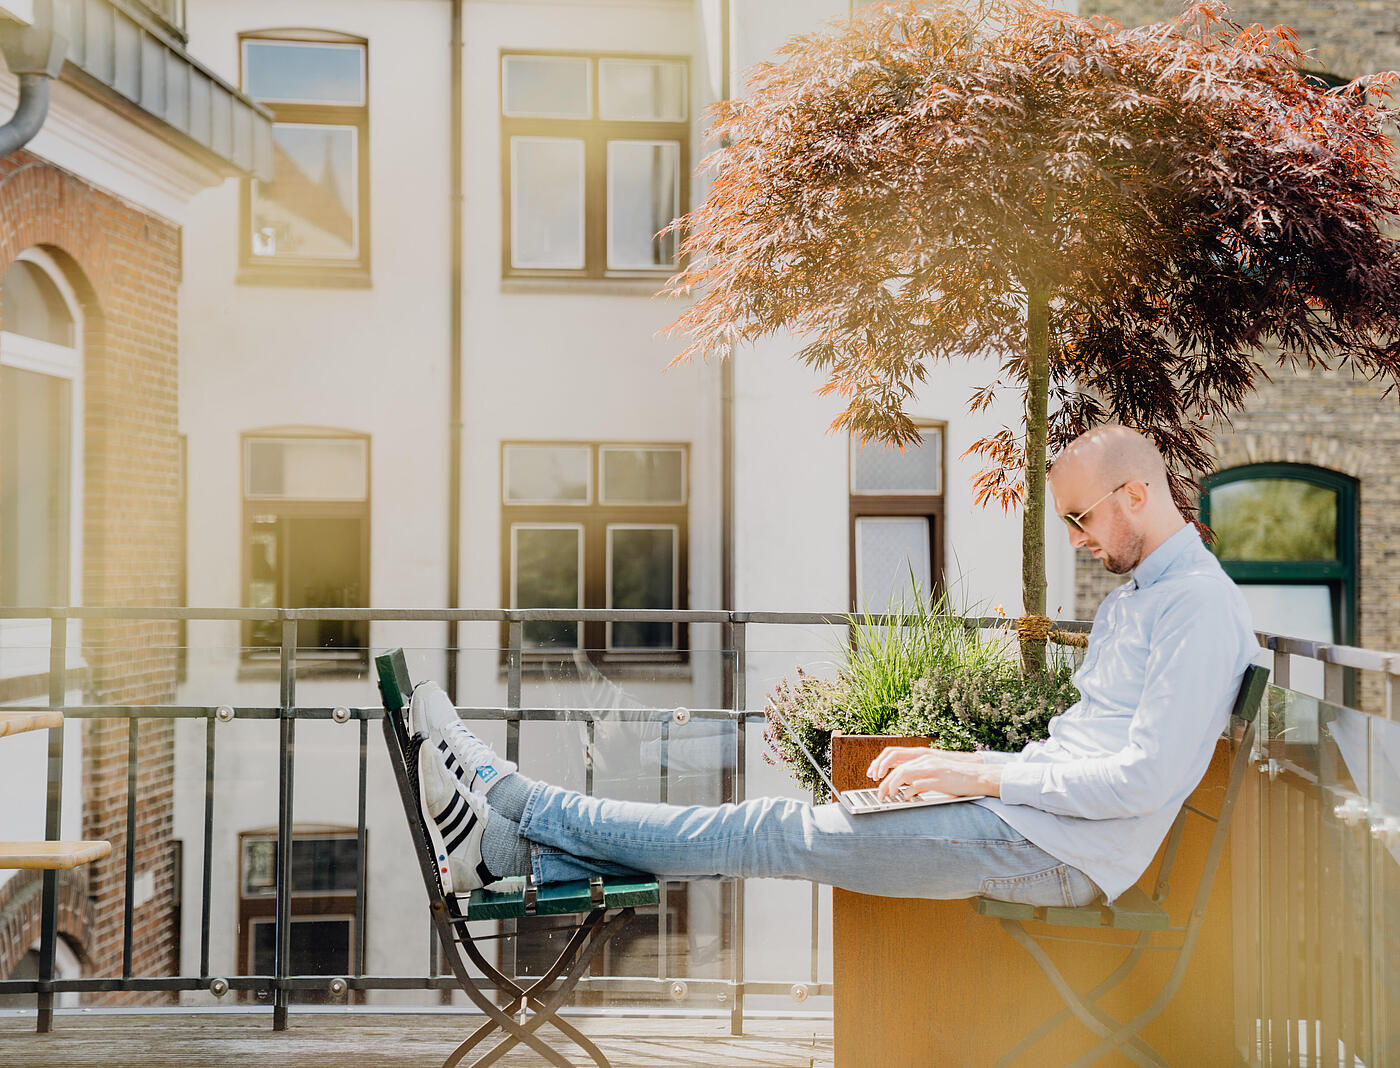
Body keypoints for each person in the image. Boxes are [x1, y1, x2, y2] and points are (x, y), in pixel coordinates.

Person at [414, 425, 1257, 908]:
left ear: (1138, 494)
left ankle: (520, 803)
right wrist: (962, 772)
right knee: (767, 832)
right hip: (1034, 825)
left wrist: (975, 774)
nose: (1076, 539)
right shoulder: (1145, 596)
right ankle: (514, 855)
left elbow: (1141, 779)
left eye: (1080, 518)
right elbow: (1090, 756)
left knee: (767, 832)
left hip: (1058, 853)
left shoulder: (1196, 607)